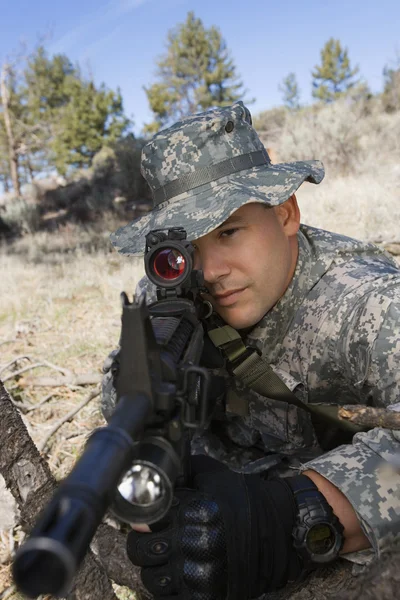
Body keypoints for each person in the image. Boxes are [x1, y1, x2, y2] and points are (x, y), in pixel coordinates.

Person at [102, 101, 400, 600]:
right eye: (187, 249)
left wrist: (298, 516)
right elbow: (119, 405)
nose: (210, 269)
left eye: (228, 232)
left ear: (285, 212)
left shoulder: (365, 302)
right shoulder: (169, 295)